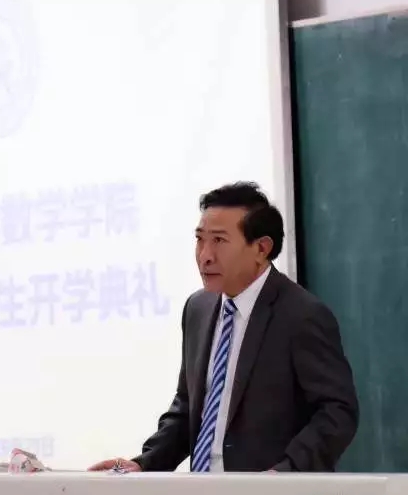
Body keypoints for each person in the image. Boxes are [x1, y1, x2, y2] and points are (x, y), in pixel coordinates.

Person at [89, 182, 359, 473]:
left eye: (219, 240)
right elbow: (188, 408)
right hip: (203, 491)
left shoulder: (301, 315)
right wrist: (144, 463)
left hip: (269, 494)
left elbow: (337, 412)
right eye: (200, 239)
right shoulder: (198, 308)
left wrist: (285, 473)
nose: (205, 255)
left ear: (261, 248)